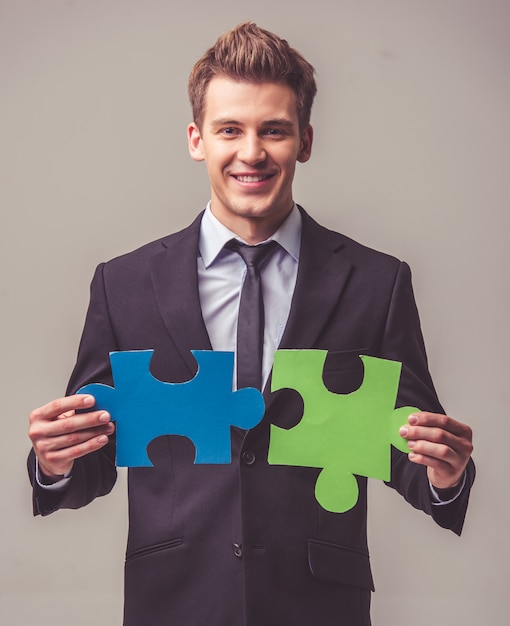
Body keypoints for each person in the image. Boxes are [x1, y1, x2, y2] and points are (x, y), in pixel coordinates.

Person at [28, 22, 474, 626]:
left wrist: (446, 474)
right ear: (196, 139)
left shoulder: (377, 282)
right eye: (230, 129)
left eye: (274, 130)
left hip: (318, 605)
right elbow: (93, 459)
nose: (252, 152)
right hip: (174, 599)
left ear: (305, 141)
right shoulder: (124, 284)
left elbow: (404, 451)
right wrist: (54, 464)